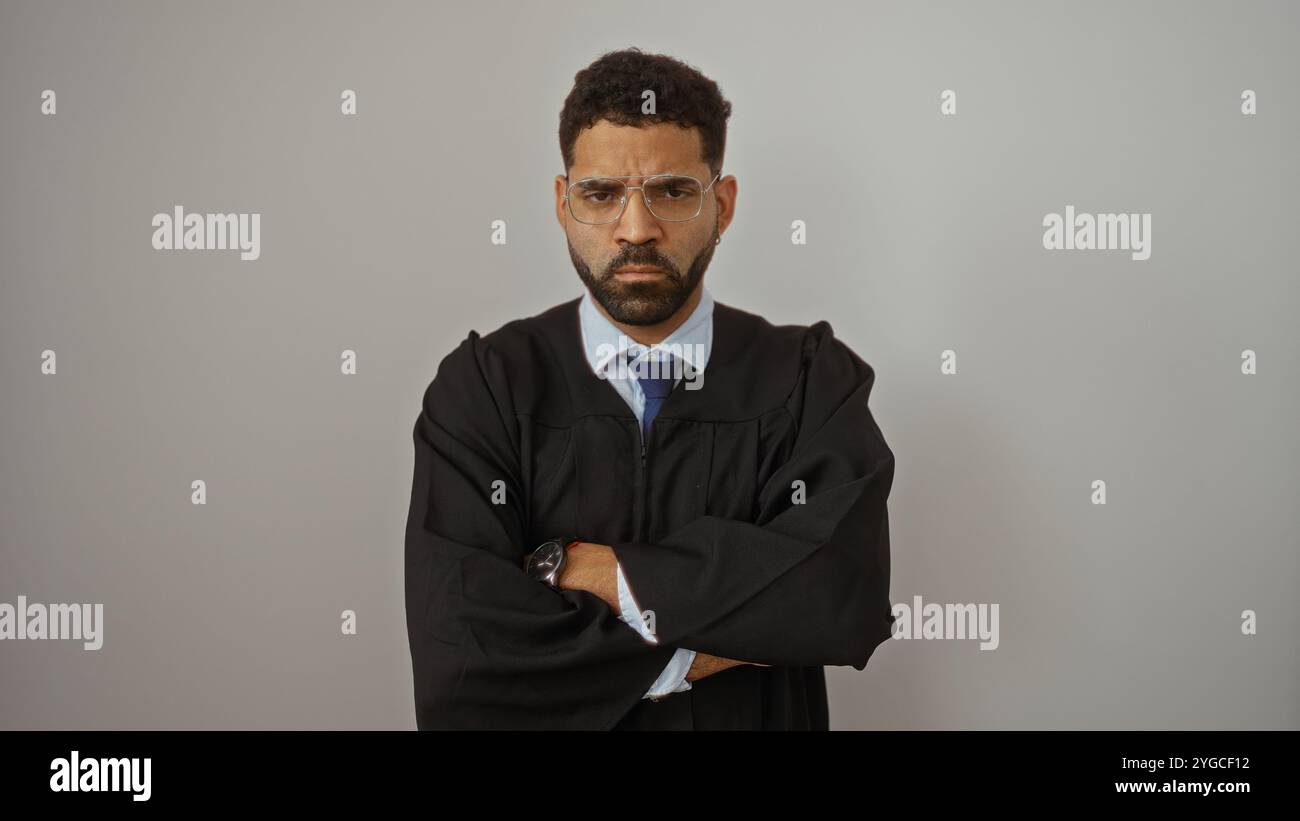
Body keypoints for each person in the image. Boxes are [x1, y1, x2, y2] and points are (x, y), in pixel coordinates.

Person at [404, 47, 895, 730]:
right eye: (602, 194)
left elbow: (840, 595)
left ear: (721, 204)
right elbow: (462, 659)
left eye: (671, 190)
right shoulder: (484, 388)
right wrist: (717, 643)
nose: (636, 230)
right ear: (562, 203)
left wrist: (611, 577)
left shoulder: (811, 379)